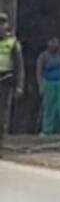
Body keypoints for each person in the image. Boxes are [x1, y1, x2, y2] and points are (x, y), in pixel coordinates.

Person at [37, 38, 60, 135]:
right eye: (52, 42)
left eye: (56, 42)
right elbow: (39, 71)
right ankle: (47, 130)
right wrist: (40, 85)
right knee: (49, 106)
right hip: (49, 82)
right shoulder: (43, 56)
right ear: (48, 44)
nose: (54, 45)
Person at [0, 13, 25, 149]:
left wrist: (19, 86)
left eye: (2, 23)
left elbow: (19, 66)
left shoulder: (13, 43)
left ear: (6, 25)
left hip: (5, 80)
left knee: (1, 115)